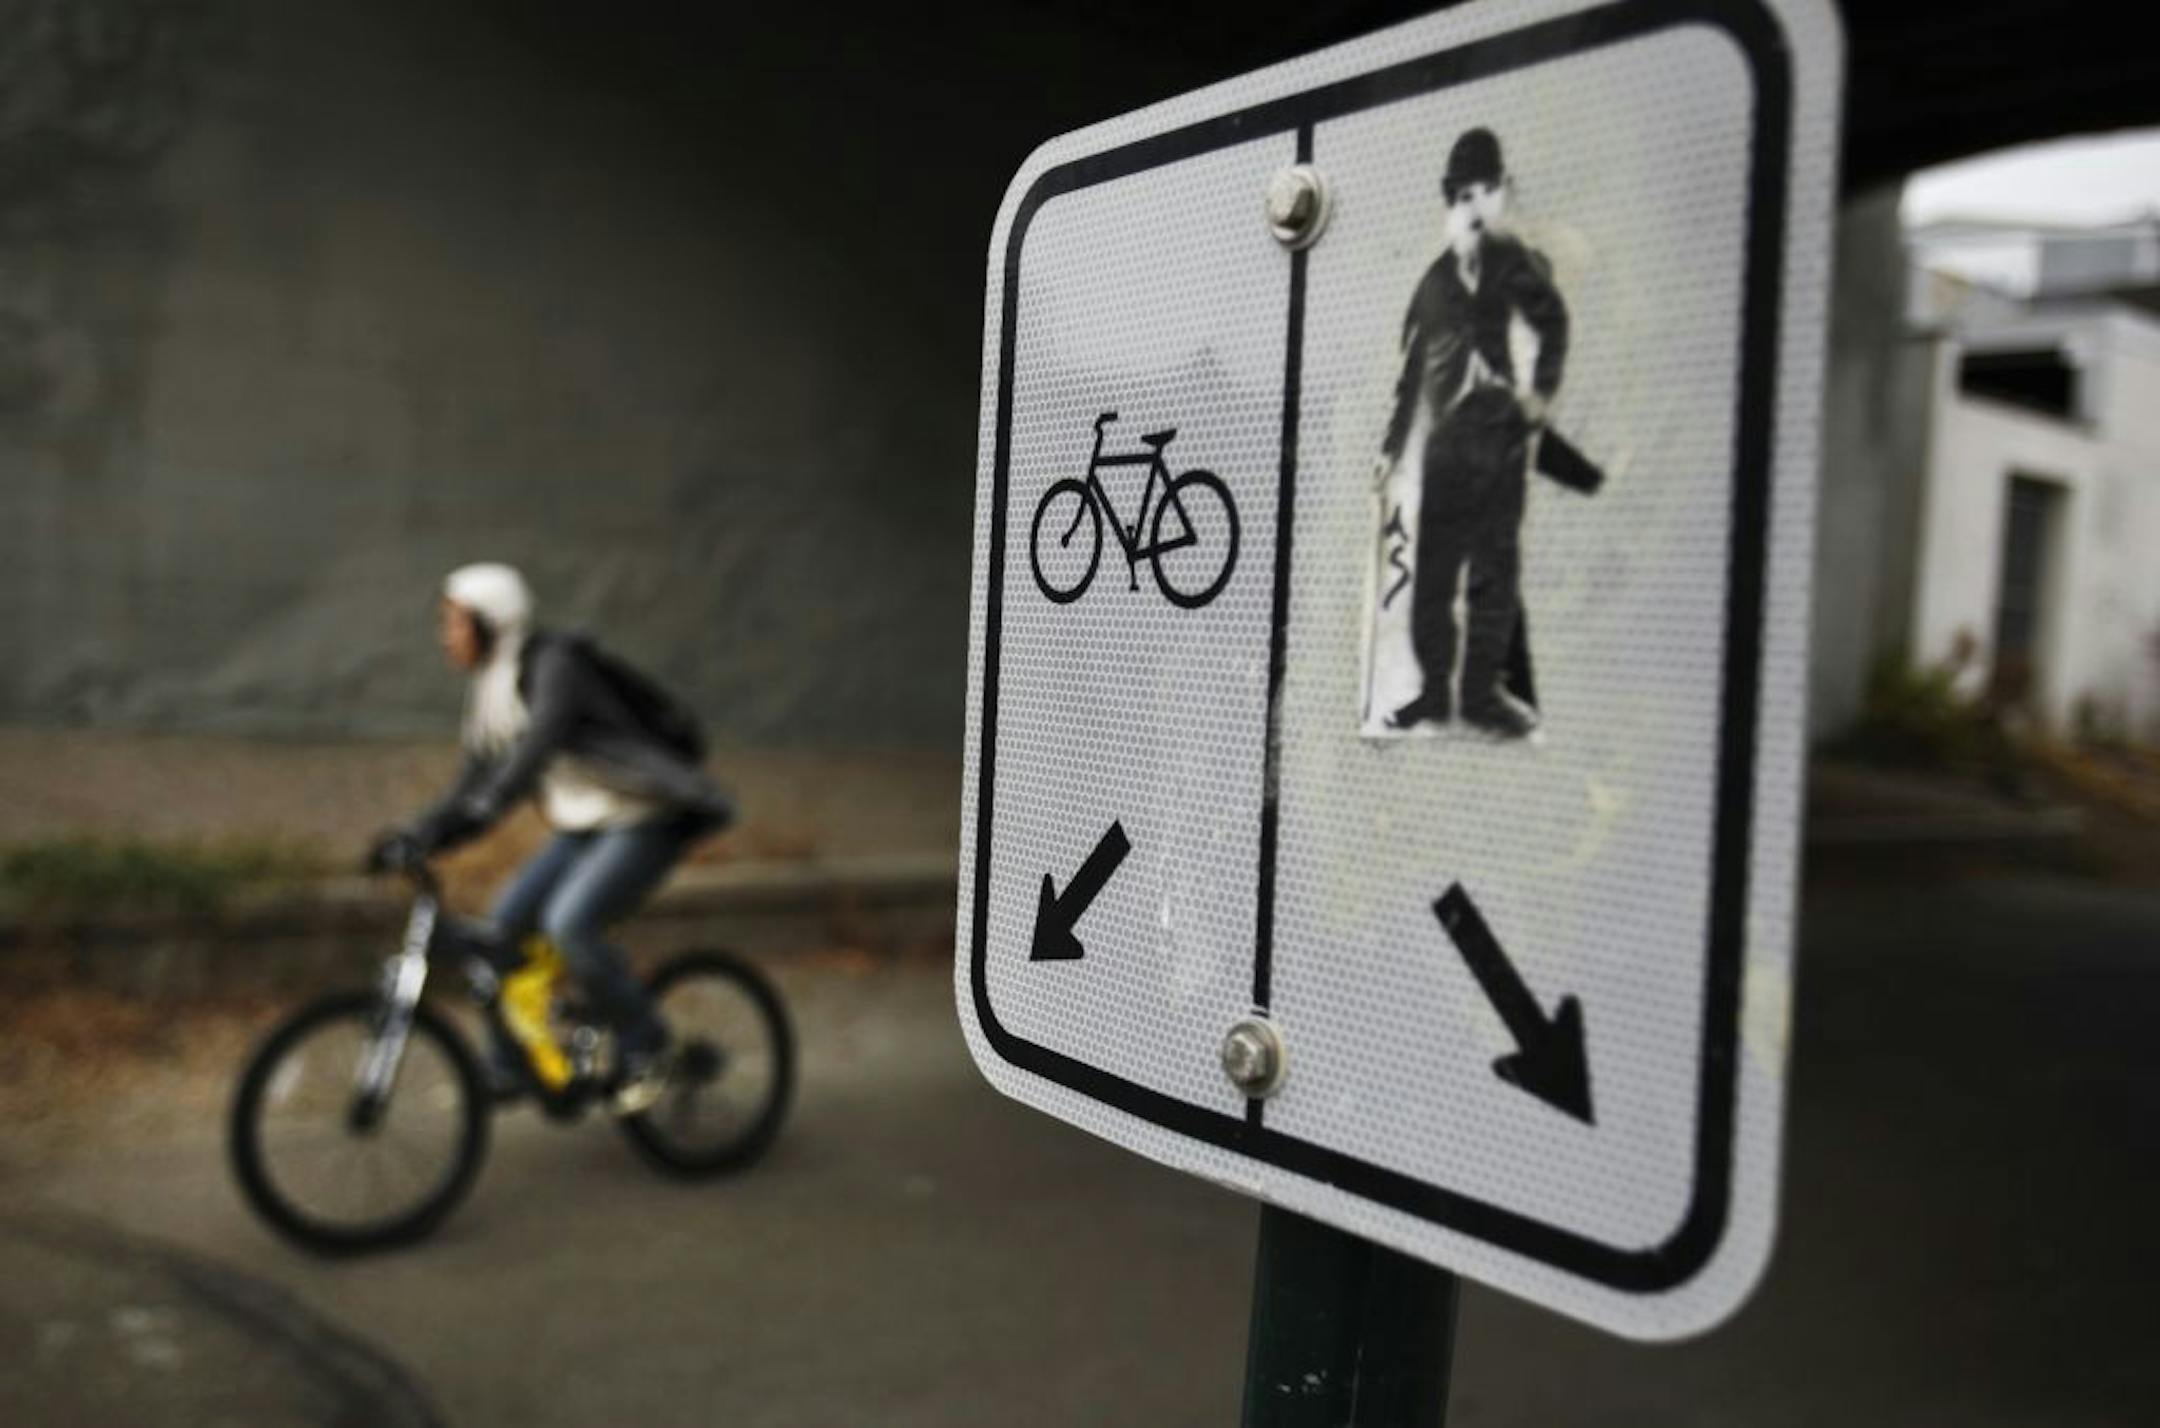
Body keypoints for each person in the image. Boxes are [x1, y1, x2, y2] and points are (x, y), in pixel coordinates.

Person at [369, 563, 731, 1114]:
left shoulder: (552, 665)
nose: (447, 636)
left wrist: (470, 820)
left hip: (641, 819)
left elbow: (526, 759)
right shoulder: (489, 687)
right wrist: (417, 832)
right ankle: (510, 1067)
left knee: (570, 925)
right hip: (584, 827)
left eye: (456, 623)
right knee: (504, 928)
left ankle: (649, 1046)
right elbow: (474, 777)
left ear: (493, 623)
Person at [1378, 126, 1604, 738]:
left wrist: (1540, 393)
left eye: (1485, 191)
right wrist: (1393, 449)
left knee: (1493, 572)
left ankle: (1481, 693)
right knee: (1432, 576)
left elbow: (1553, 321)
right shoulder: (1434, 281)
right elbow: (1410, 373)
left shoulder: (1515, 266)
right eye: (1462, 195)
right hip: (1448, 441)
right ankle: (1431, 691)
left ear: (1500, 194)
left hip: (1501, 434)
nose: (1474, 206)